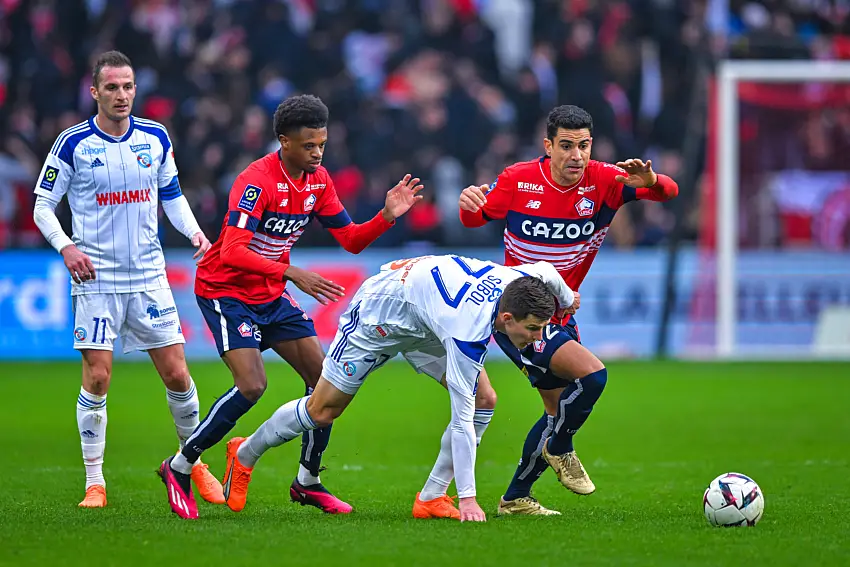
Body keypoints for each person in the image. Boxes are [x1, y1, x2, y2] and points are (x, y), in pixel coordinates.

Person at [157, 94, 424, 520]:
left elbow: (352, 240)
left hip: (270, 292)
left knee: (326, 380)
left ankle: (307, 481)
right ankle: (180, 465)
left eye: (322, 144)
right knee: (252, 386)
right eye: (308, 145)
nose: (317, 153)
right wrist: (291, 273)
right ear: (284, 141)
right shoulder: (255, 181)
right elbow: (232, 252)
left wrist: (387, 216)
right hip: (227, 291)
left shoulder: (319, 181)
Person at [217, 254, 575, 522]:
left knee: (486, 399)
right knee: (323, 409)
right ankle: (245, 452)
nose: (537, 337)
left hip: (426, 316)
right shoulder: (467, 331)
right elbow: (461, 419)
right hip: (381, 315)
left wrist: (566, 296)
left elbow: (545, 270)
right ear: (507, 319)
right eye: (532, 329)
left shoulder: (522, 281)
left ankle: (432, 497)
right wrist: (469, 498)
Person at [456, 105, 679, 515]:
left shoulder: (606, 180)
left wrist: (653, 181)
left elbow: (669, 193)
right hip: (517, 316)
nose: (576, 155)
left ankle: (516, 498)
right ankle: (561, 449)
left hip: (560, 313)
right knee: (593, 376)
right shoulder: (518, 179)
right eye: (566, 146)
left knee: (556, 410)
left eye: (584, 145)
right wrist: (468, 203)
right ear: (548, 146)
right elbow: (473, 219)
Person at [31, 50, 221, 509]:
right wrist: (67, 247)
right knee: (97, 378)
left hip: (148, 276)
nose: (121, 95)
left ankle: (193, 462)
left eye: (128, 86)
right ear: (94, 92)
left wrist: (195, 231)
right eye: (112, 87)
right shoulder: (72, 144)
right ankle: (94, 482)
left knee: (178, 373)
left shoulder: (155, 136)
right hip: (96, 278)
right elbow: (42, 206)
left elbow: (172, 197)